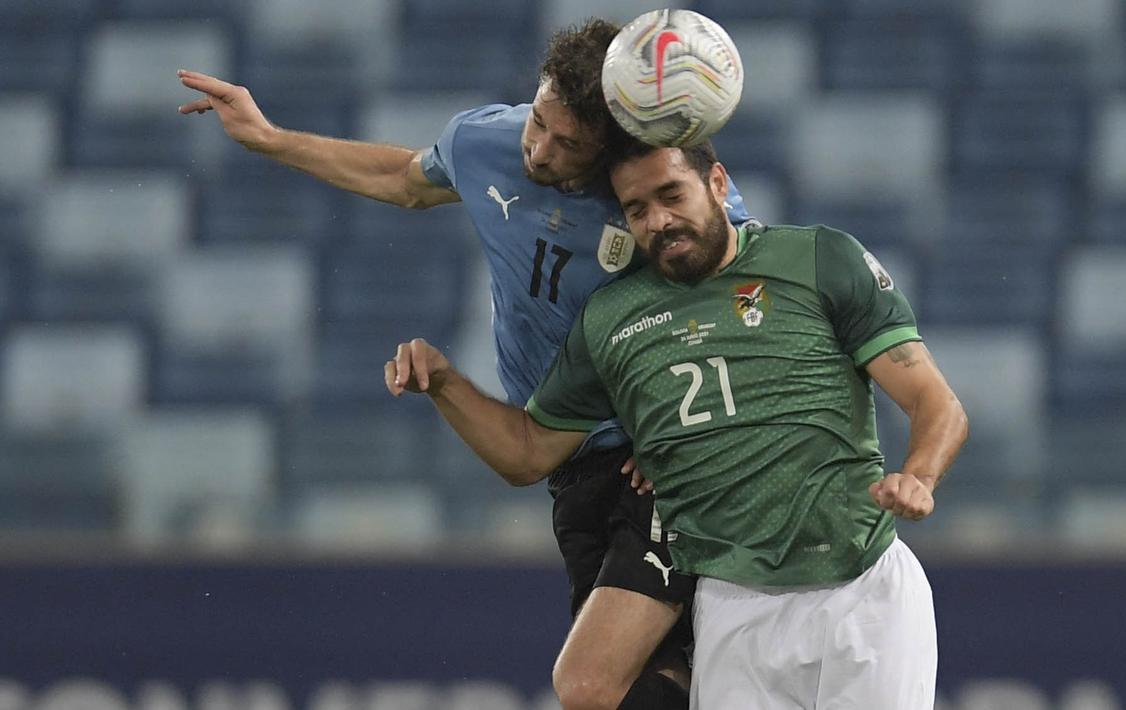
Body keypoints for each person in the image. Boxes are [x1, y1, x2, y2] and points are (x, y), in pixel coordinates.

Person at [178, 19, 756, 710]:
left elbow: (748, 292)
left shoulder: (653, 195)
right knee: (653, 681)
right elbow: (404, 178)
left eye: (567, 143)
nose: (539, 149)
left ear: (610, 148)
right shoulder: (484, 141)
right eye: (538, 121)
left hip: (653, 461)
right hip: (568, 461)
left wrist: (690, 428)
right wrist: (271, 139)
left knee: (603, 685)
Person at [384, 138, 969, 710]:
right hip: (731, 609)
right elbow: (528, 452)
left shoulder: (820, 260)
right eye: (637, 210)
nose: (659, 220)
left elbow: (935, 403)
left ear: (717, 184)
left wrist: (919, 475)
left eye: (672, 195)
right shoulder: (610, 320)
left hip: (862, 591)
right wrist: (445, 384)